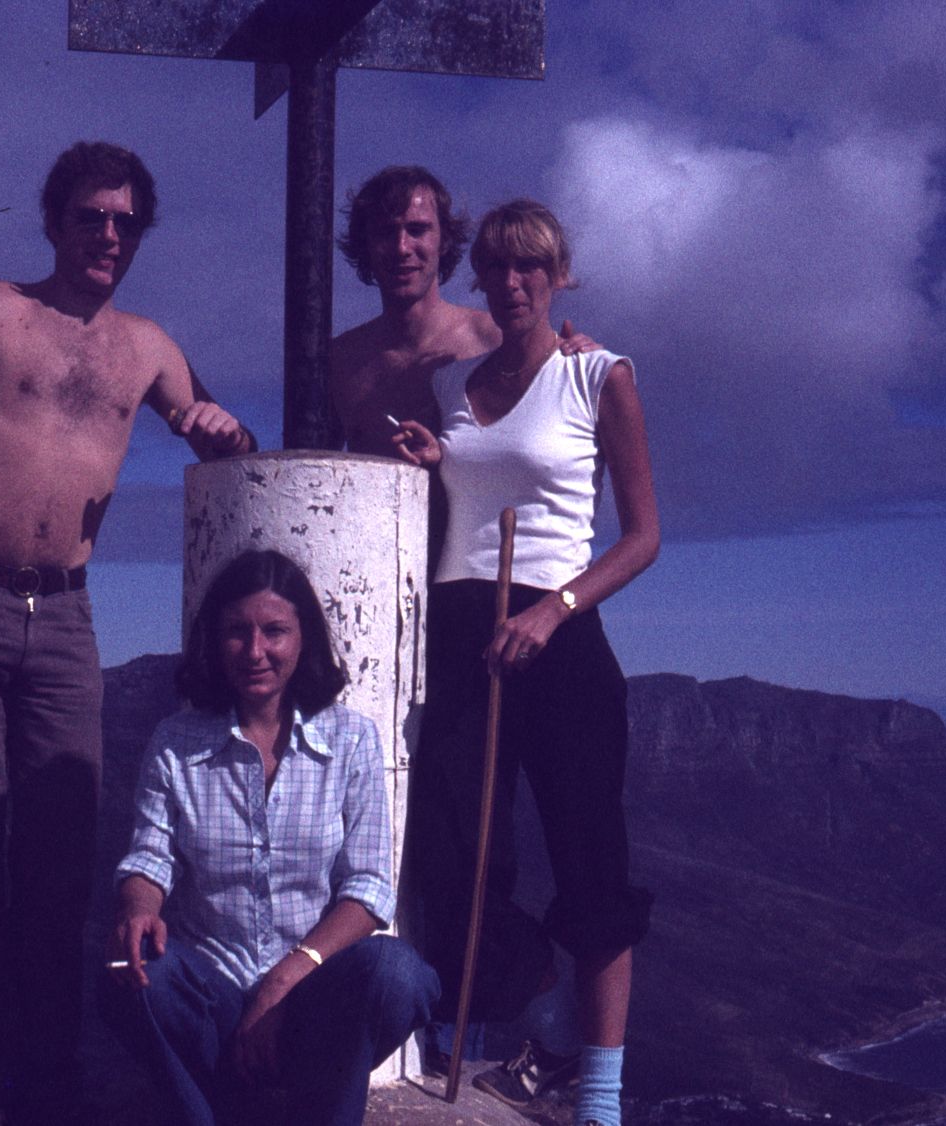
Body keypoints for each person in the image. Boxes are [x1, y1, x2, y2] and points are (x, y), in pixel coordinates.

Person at [0, 141, 255, 1124]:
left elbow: (216, 430)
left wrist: (224, 430)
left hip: (68, 616)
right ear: (54, 222)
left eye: (126, 221)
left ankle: (48, 1077)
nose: (109, 235)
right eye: (91, 216)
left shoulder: (150, 346)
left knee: (61, 852)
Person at [393, 199, 660, 1126]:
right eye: (497, 267)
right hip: (461, 633)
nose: (512, 283)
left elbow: (643, 537)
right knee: (453, 856)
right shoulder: (452, 386)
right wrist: (437, 459)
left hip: (560, 634)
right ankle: (541, 1011)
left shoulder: (597, 374)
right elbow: (466, 494)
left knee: (591, 862)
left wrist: (554, 610)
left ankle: (599, 1100)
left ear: (559, 275)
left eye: (531, 266)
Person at [103, 550, 438, 1126]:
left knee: (397, 974)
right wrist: (139, 909)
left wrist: (284, 980)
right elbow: (150, 856)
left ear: (303, 638)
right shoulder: (176, 742)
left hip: (310, 1000)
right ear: (215, 641)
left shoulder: (351, 740)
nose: (255, 650)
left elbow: (368, 889)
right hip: (210, 1000)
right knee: (130, 972)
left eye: (274, 631)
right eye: (237, 632)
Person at [330, 165, 595, 459]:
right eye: (385, 232)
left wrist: (580, 355)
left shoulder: (494, 339)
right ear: (365, 244)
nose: (401, 247)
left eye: (417, 230)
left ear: (444, 240)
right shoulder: (341, 361)